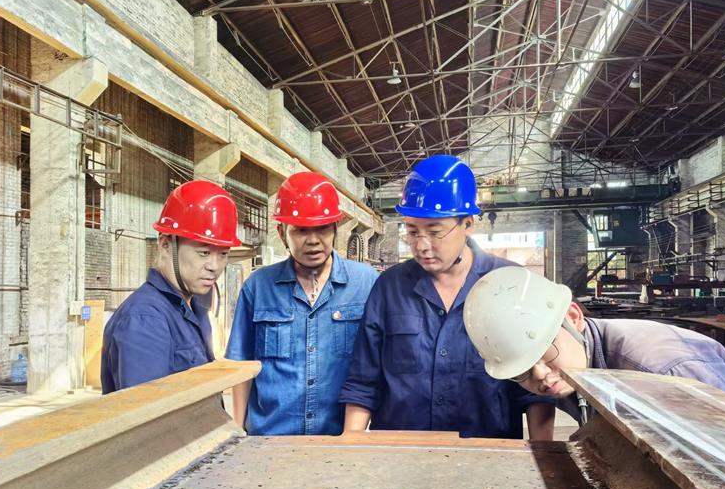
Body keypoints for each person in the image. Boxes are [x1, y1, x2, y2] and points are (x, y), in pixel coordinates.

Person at [339, 155, 557, 439]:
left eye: (435, 232)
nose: (421, 245)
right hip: (400, 452)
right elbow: (363, 381)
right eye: (412, 231)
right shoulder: (389, 287)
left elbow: (536, 391)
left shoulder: (511, 284)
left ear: (468, 224)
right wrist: (351, 447)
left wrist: (544, 451)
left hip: (486, 453)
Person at [464, 266, 725, 424]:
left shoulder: (666, 371)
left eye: (545, 355)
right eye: (522, 371)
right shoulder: (574, 365)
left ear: (573, 317)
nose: (541, 377)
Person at [225, 172, 379, 435]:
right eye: (301, 230)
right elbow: (241, 364)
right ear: (281, 233)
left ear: (335, 228)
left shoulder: (366, 284)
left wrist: (353, 439)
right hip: (270, 438)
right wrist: (237, 431)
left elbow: (375, 366)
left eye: (322, 228)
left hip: (338, 439)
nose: (313, 240)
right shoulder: (258, 287)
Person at [102, 180, 240, 393]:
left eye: (223, 254)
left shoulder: (195, 310)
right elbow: (149, 409)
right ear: (165, 244)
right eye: (204, 253)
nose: (214, 266)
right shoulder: (145, 319)